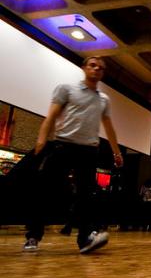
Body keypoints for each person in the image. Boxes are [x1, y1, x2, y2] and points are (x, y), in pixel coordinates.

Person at [23, 56, 123, 253]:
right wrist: (42, 139)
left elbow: (109, 128)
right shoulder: (66, 89)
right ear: (84, 68)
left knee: (86, 196)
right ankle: (33, 236)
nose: (96, 69)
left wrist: (116, 152)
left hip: (88, 151)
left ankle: (85, 239)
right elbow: (51, 116)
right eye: (92, 65)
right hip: (63, 146)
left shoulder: (103, 100)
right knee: (45, 192)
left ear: (103, 74)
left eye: (100, 68)